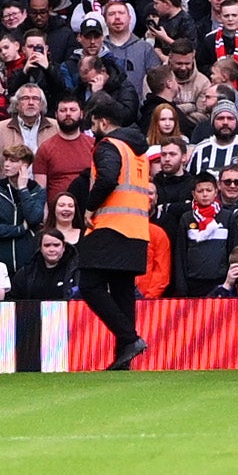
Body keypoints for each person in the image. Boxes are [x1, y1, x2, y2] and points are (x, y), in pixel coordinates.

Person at [68, 112, 161, 367]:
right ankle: (124, 358)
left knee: (89, 285)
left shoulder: (109, 146)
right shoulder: (137, 150)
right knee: (122, 293)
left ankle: (129, 339)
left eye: (94, 124)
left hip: (110, 226)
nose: (92, 130)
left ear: (103, 121)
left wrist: (89, 207)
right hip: (137, 229)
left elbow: (108, 178)